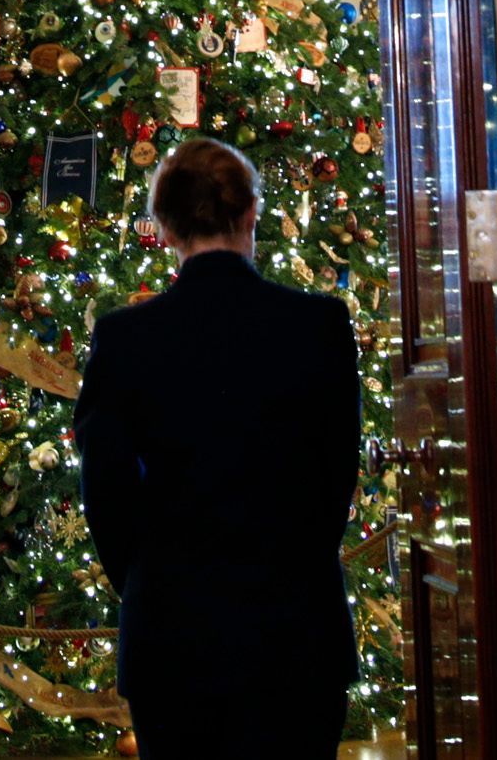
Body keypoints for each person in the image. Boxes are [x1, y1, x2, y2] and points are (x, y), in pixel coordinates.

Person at [75, 137, 363, 760]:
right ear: (249, 215)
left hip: (172, 630)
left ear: (167, 226)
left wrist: (152, 578)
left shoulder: (125, 338)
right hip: (295, 624)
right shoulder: (319, 325)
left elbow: (105, 490)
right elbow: (335, 474)